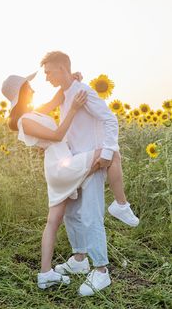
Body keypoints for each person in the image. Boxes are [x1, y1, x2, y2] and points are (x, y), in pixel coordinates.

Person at [37, 51, 139, 296]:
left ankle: (101, 270)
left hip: (92, 161)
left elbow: (110, 119)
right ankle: (80, 259)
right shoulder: (65, 94)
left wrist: (108, 151)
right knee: (72, 214)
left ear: (62, 68)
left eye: (49, 72)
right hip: (73, 163)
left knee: (90, 214)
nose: (47, 77)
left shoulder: (84, 91)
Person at [1, 73, 104, 290]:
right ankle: (121, 204)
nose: (34, 90)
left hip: (61, 163)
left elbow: (56, 100)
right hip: (60, 165)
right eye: (29, 87)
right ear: (21, 92)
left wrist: (69, 78)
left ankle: (46, 273)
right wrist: (74, 108)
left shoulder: (33, 113)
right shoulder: (24, 121)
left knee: (55, 220)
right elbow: (57, 135)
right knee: (107, 153)